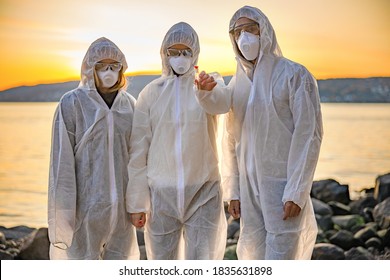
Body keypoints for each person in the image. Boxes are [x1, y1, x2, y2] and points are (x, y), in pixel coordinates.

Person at [196, 6, 323, 259]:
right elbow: (230, 139)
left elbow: (309, 136)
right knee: (252, 258)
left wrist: (296, 192)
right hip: (249, 194)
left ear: (264, 31)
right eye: (237, 32)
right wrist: (233, 191)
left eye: (250, 29)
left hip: (282, 190)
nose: (244, 37)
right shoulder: (238, 84)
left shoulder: (294, 75)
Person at [125, 22, 227, 260]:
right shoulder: (151, 93)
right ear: (164, 54)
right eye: (174, 52)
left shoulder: (209, 83)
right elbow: (139, 150)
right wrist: (137, 202)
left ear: (195, 54)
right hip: (161, 195)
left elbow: (221, 104)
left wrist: (206, 92)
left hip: (204, 192)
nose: (180, 58)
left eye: (186, 52)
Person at [48, 37, 140, 260]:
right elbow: (62, 164)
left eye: (113, 66)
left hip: (121, 215)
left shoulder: (129, 105)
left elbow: (138, 159)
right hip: (84, 212)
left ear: (121, 69)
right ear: (90, 68)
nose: (108, 71)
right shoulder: (71, 104)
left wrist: (139, 203)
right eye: (101, 66)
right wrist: (64, 212)